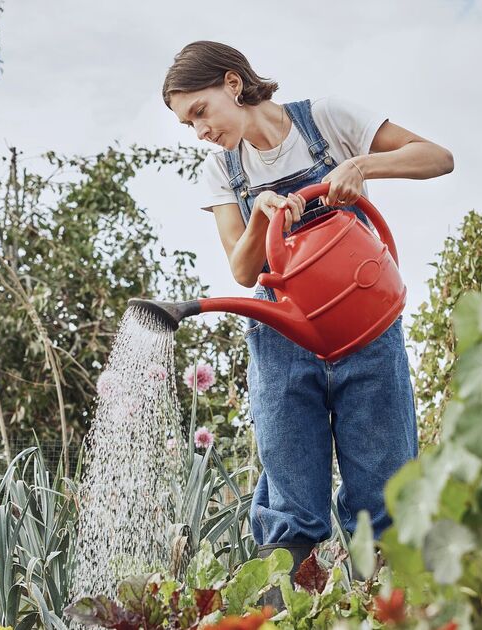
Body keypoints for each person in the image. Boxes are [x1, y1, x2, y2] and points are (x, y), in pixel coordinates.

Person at [162, 41, 453, 604]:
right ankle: (297, 613)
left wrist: (362, 164)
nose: (198, 131)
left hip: (365, 332)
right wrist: (261, 216)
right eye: (186, 124)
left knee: (386, 496)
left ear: (232, 83)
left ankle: (393, 611)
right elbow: (244, 271)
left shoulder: (326, 120)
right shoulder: (221, 169)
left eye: (199, 112)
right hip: (282, 342)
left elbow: (438, 157)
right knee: (291, 507)